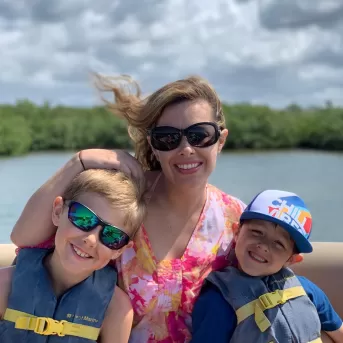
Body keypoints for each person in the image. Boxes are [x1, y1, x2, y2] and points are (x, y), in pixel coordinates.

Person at [10, 75, 246, 342]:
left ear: (221, 139)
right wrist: (78, 162)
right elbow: (24, 237)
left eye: (199, 135)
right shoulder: (125, 199)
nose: (186, 149)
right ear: (154, 146)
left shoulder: (236, 219)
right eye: (168, 138)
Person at [0, 169, 147, 342]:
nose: (91, 239)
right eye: (83, 218)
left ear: (119, 250)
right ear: (57, 212)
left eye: (111, 236)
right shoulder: (4, 285)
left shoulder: (117, 310)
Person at [191, 190, 343, 343]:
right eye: (257, 232)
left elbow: (339, 333)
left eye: (278, 243)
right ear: (236, 232)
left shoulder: (307, 291)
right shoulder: (219, 301)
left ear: (291, 259)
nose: (264, 246)